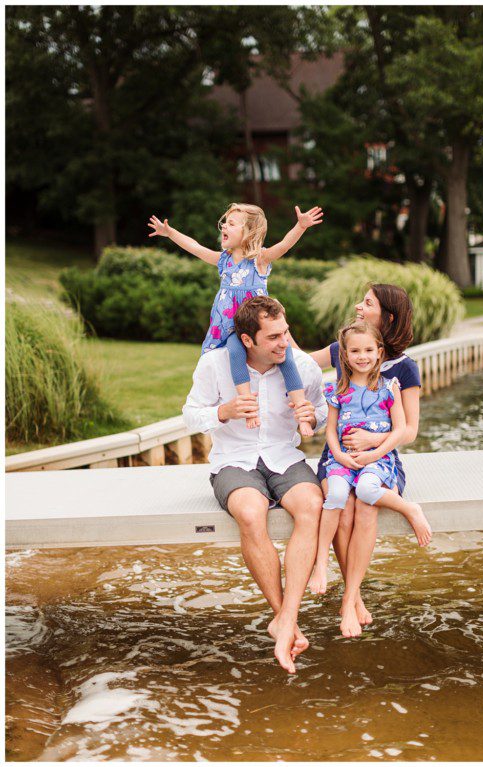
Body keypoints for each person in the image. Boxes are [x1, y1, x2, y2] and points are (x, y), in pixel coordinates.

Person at [183, 295, 327, 674]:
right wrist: (222, 411)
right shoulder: (215, 365)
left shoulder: (304, 368)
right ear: (248, 340)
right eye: (274, 337)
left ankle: (286, 619)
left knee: (312, 505)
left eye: (286, 333)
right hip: (234, 460)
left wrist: (314, 415)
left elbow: (323, 411)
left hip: (285, 457)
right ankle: (285, 619)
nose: (284, 343)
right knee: (250, 512)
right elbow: (190, 415)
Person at [307, 284, 432, 630]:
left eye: (368, 302)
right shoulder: (345, 347)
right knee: (341, 508)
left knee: (364, 503)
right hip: (339, 458)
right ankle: (355, 597)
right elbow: (299, 360)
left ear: (387, 317)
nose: (358, 306)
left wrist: (372, 442)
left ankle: (348, 600)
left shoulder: (404, 370)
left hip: (379, 458)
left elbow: (409, 429)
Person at [150, 202, 323, 435]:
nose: (224, 226)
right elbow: (195, 247)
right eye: (224, 222)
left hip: (259, 324)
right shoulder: (224, 260)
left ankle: (302, 414)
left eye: (231, 223)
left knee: (288, 359)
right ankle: (249, 407)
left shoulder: (259, 260)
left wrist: (300, 226)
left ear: (249, 232)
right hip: (232, 327)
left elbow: (284, 245)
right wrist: (169, 232)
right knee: (235, 353)